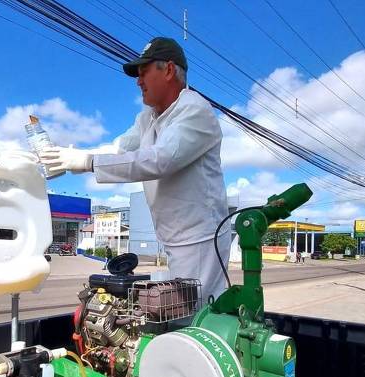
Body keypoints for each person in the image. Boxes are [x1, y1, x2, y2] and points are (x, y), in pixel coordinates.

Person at [39, 37, 230, 302]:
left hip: (200, 240)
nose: (138, 82)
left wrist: (87, 161)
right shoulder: (148, 118)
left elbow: (160, 160)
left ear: (169, 70)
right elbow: (119, 149)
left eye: (143, 73)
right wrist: (73, 157)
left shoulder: (195, 110)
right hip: (174, 237)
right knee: (173, 312)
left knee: (193, 317)